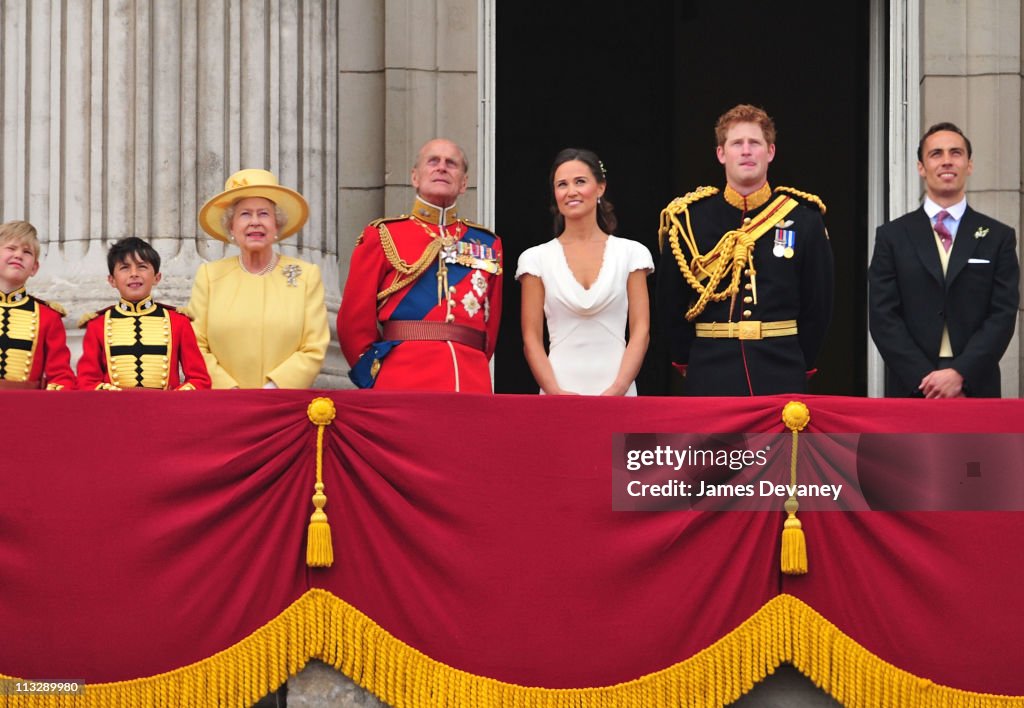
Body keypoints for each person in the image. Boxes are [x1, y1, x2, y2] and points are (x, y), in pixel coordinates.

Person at [656, 104, 833, 396]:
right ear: (721, 154)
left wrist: (801, 360)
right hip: (710, 371)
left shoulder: (804, 219)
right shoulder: (689, 219)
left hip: (780, 369)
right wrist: (687, 358)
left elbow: (819, 303)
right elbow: (669, 301)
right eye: (737, 143)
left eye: (755, 143)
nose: (747, 151)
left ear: (770, 152)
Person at [338, 138, 503, 392]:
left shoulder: (488, 243)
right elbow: (353, 322)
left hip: (469, 378)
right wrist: (376, 376)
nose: (442, 168)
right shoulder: (383, 235)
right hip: (401, 379)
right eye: (433, 161)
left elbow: (489, 328)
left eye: (451, 163)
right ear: (415, 177)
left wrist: (476, 362)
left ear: (464, 183)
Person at [869, 122, 1019, 398]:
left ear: (969, 165)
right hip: (911, 386)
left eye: (956, 153)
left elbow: (1002, 314)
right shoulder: (892, 236)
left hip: (975, 385)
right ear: (921, 167)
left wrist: (961, 374)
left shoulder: (998, 237)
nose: (947, 161)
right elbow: (883, 316)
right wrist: (924, 380)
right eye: (936, 154)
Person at [516, 149, 652, 395]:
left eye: (580, 182)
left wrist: (618, 389)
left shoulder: (632, 253)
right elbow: (531, 339)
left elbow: (641, 330)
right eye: (562, 185)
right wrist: (555, 393)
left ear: (600, 188)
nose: (571, 191)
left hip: (619, 392)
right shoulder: (535, 259)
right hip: (558, 393)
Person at [186, 169, 329, 389]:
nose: (255, 222)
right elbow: (195, 344)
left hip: (283, 404)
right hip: (224, 404)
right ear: (231, 227)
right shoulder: (210, 277)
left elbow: (314, 346)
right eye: (245, 214)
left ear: (277, 226)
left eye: (264, 214)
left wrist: (272, 389)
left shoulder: (306, 275)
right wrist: (230, 390)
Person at [77, 237, 210, 391]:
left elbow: (199, 379)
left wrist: (175, 398)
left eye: (142, 267)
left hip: (164, 411)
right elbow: (85, 381)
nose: (134, 274)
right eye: (125, 268)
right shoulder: (97, 324)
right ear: (112, 280)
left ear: (157, 277)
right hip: (113, 410)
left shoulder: (178, 321)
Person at [0, 220, 76, 390]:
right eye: (11, 248)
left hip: (25, 409)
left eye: (27, 252)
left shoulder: (48, 316)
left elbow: (61, 376)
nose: (18, 255)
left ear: (34, 268)